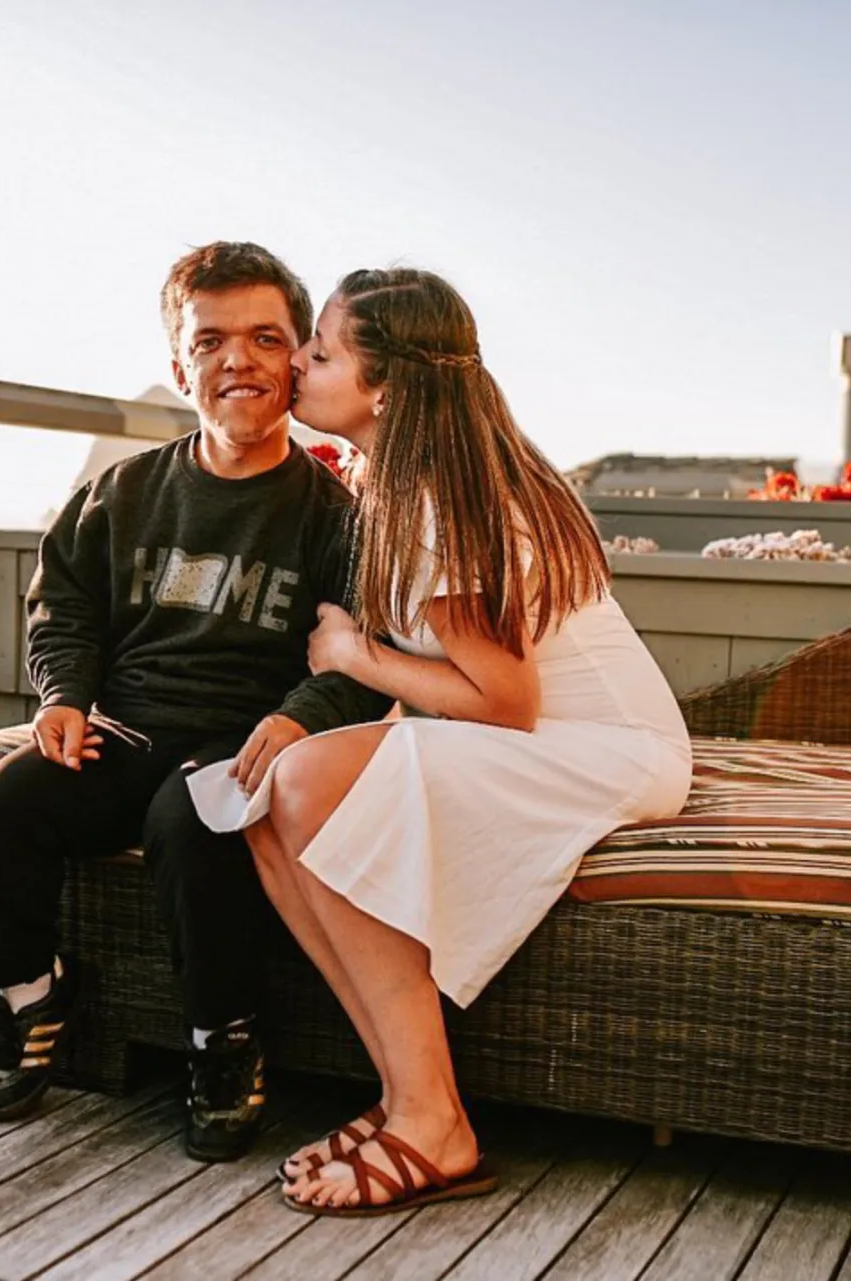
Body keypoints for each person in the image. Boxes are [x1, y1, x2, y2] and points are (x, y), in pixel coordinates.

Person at [186, 267, 694, 1215]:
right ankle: (405, 1097)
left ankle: (435, 1121)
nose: (296, 365)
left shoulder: (439, 502)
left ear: (383, 388)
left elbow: (504, 700)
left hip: (602, 748)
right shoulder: (409, 479)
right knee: (269, 800)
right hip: (553, 733)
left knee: (303, 783)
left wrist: (355, 653)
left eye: (320, 353)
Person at [0, 242, 389, 1163]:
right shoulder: (122, 493)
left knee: (190, 818)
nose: (237, 359)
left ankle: (222, 1037)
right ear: (179, 364)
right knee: (7, 802)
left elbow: (359, 658)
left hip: (245, 739)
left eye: (265, 338)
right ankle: (29, 996)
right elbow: (64, 609)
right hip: (123, 731)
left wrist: (300, 716)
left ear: (297, 360)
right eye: (210, 341)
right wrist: (64, 695)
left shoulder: (334, 517)